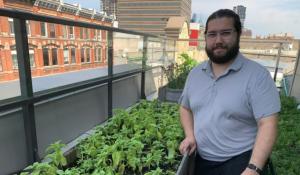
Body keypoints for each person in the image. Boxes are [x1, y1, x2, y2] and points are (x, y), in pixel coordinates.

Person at [178, 9, 280, 175]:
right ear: (205, 38)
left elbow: (268, 123)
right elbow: (185, 107)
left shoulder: (257, 75)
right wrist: (190, 135)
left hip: (240, 160)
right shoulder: (195, 74)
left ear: (238, 34)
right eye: (212, 34)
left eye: (225, 33)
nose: (218, 40)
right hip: (202, 159)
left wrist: (253, 168)